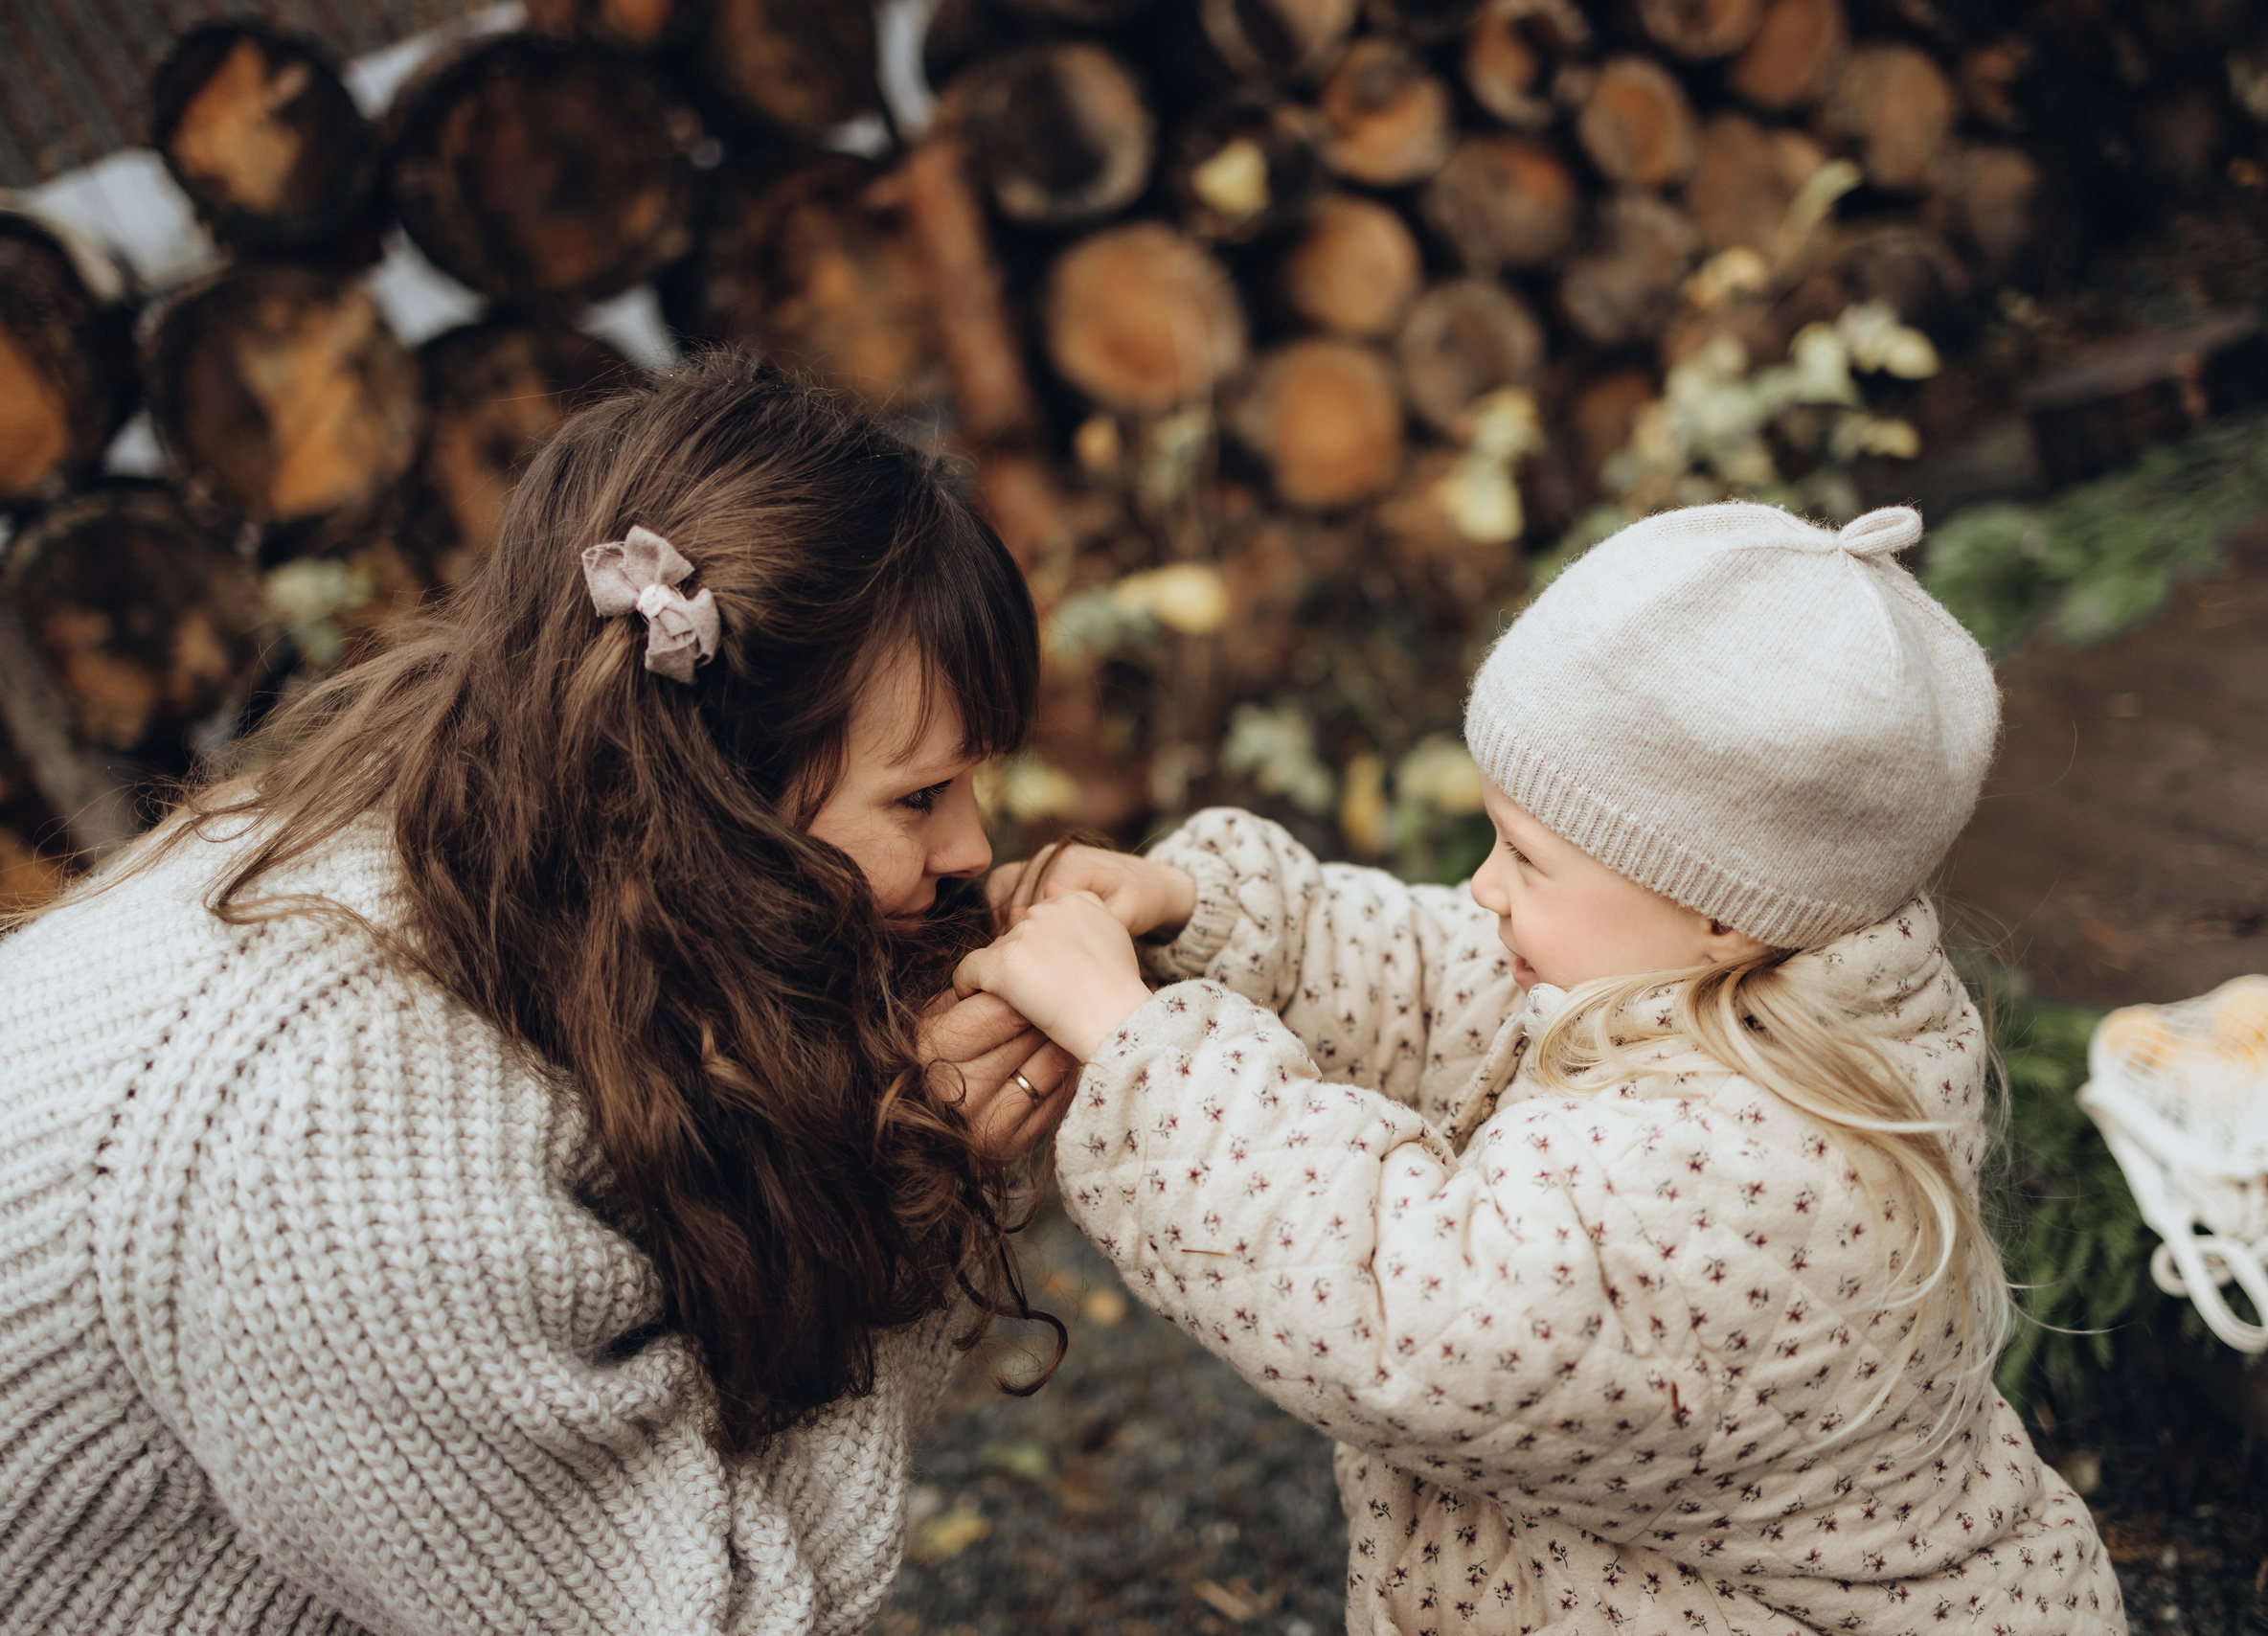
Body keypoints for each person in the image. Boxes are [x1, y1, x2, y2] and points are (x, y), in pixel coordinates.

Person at [0, 353, 1074, 1636]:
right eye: (918, 798)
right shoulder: (340, 1152)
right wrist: (909, 1196)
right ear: (714, 786)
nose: (968, 851)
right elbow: (703, 1614)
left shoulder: (514, 825)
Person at [960, 503, 2123, 1633]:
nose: (1484, 885)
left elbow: (1405, 1307)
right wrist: (1209, 911)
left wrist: (1138, 1046)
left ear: (1720, 908)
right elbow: (1443, 983)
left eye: (1524, 853)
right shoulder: (1742, 981)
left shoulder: (1736, 1178)